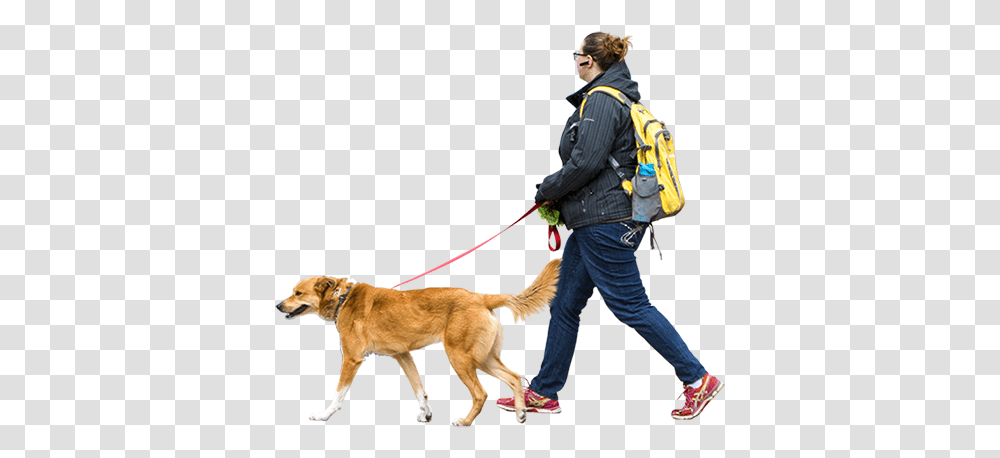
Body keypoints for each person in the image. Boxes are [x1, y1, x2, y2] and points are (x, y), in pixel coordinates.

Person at [497, 32, 723, 420]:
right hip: (593, 222)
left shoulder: (602, 100)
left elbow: (586, 163)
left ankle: (697, 378)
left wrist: (547, 190)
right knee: (565, 304)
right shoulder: (614, 95)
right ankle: (545, 392)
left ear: (587, 61)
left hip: (606, 223)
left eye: (577, 57)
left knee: (632, 305)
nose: (575, 63)